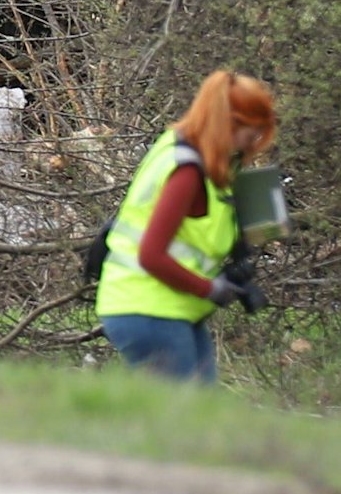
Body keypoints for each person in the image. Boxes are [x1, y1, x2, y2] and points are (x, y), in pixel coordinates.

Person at [95, 70, 277, 382]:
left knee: (195, 416)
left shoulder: (186, 153)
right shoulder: (187, 171)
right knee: (182, 421)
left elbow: (192, 242)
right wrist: (210, 289)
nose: (250, 149)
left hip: (164, 309)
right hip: (147, 310)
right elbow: (151, 255)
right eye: (250, 136)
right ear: (229, 123)